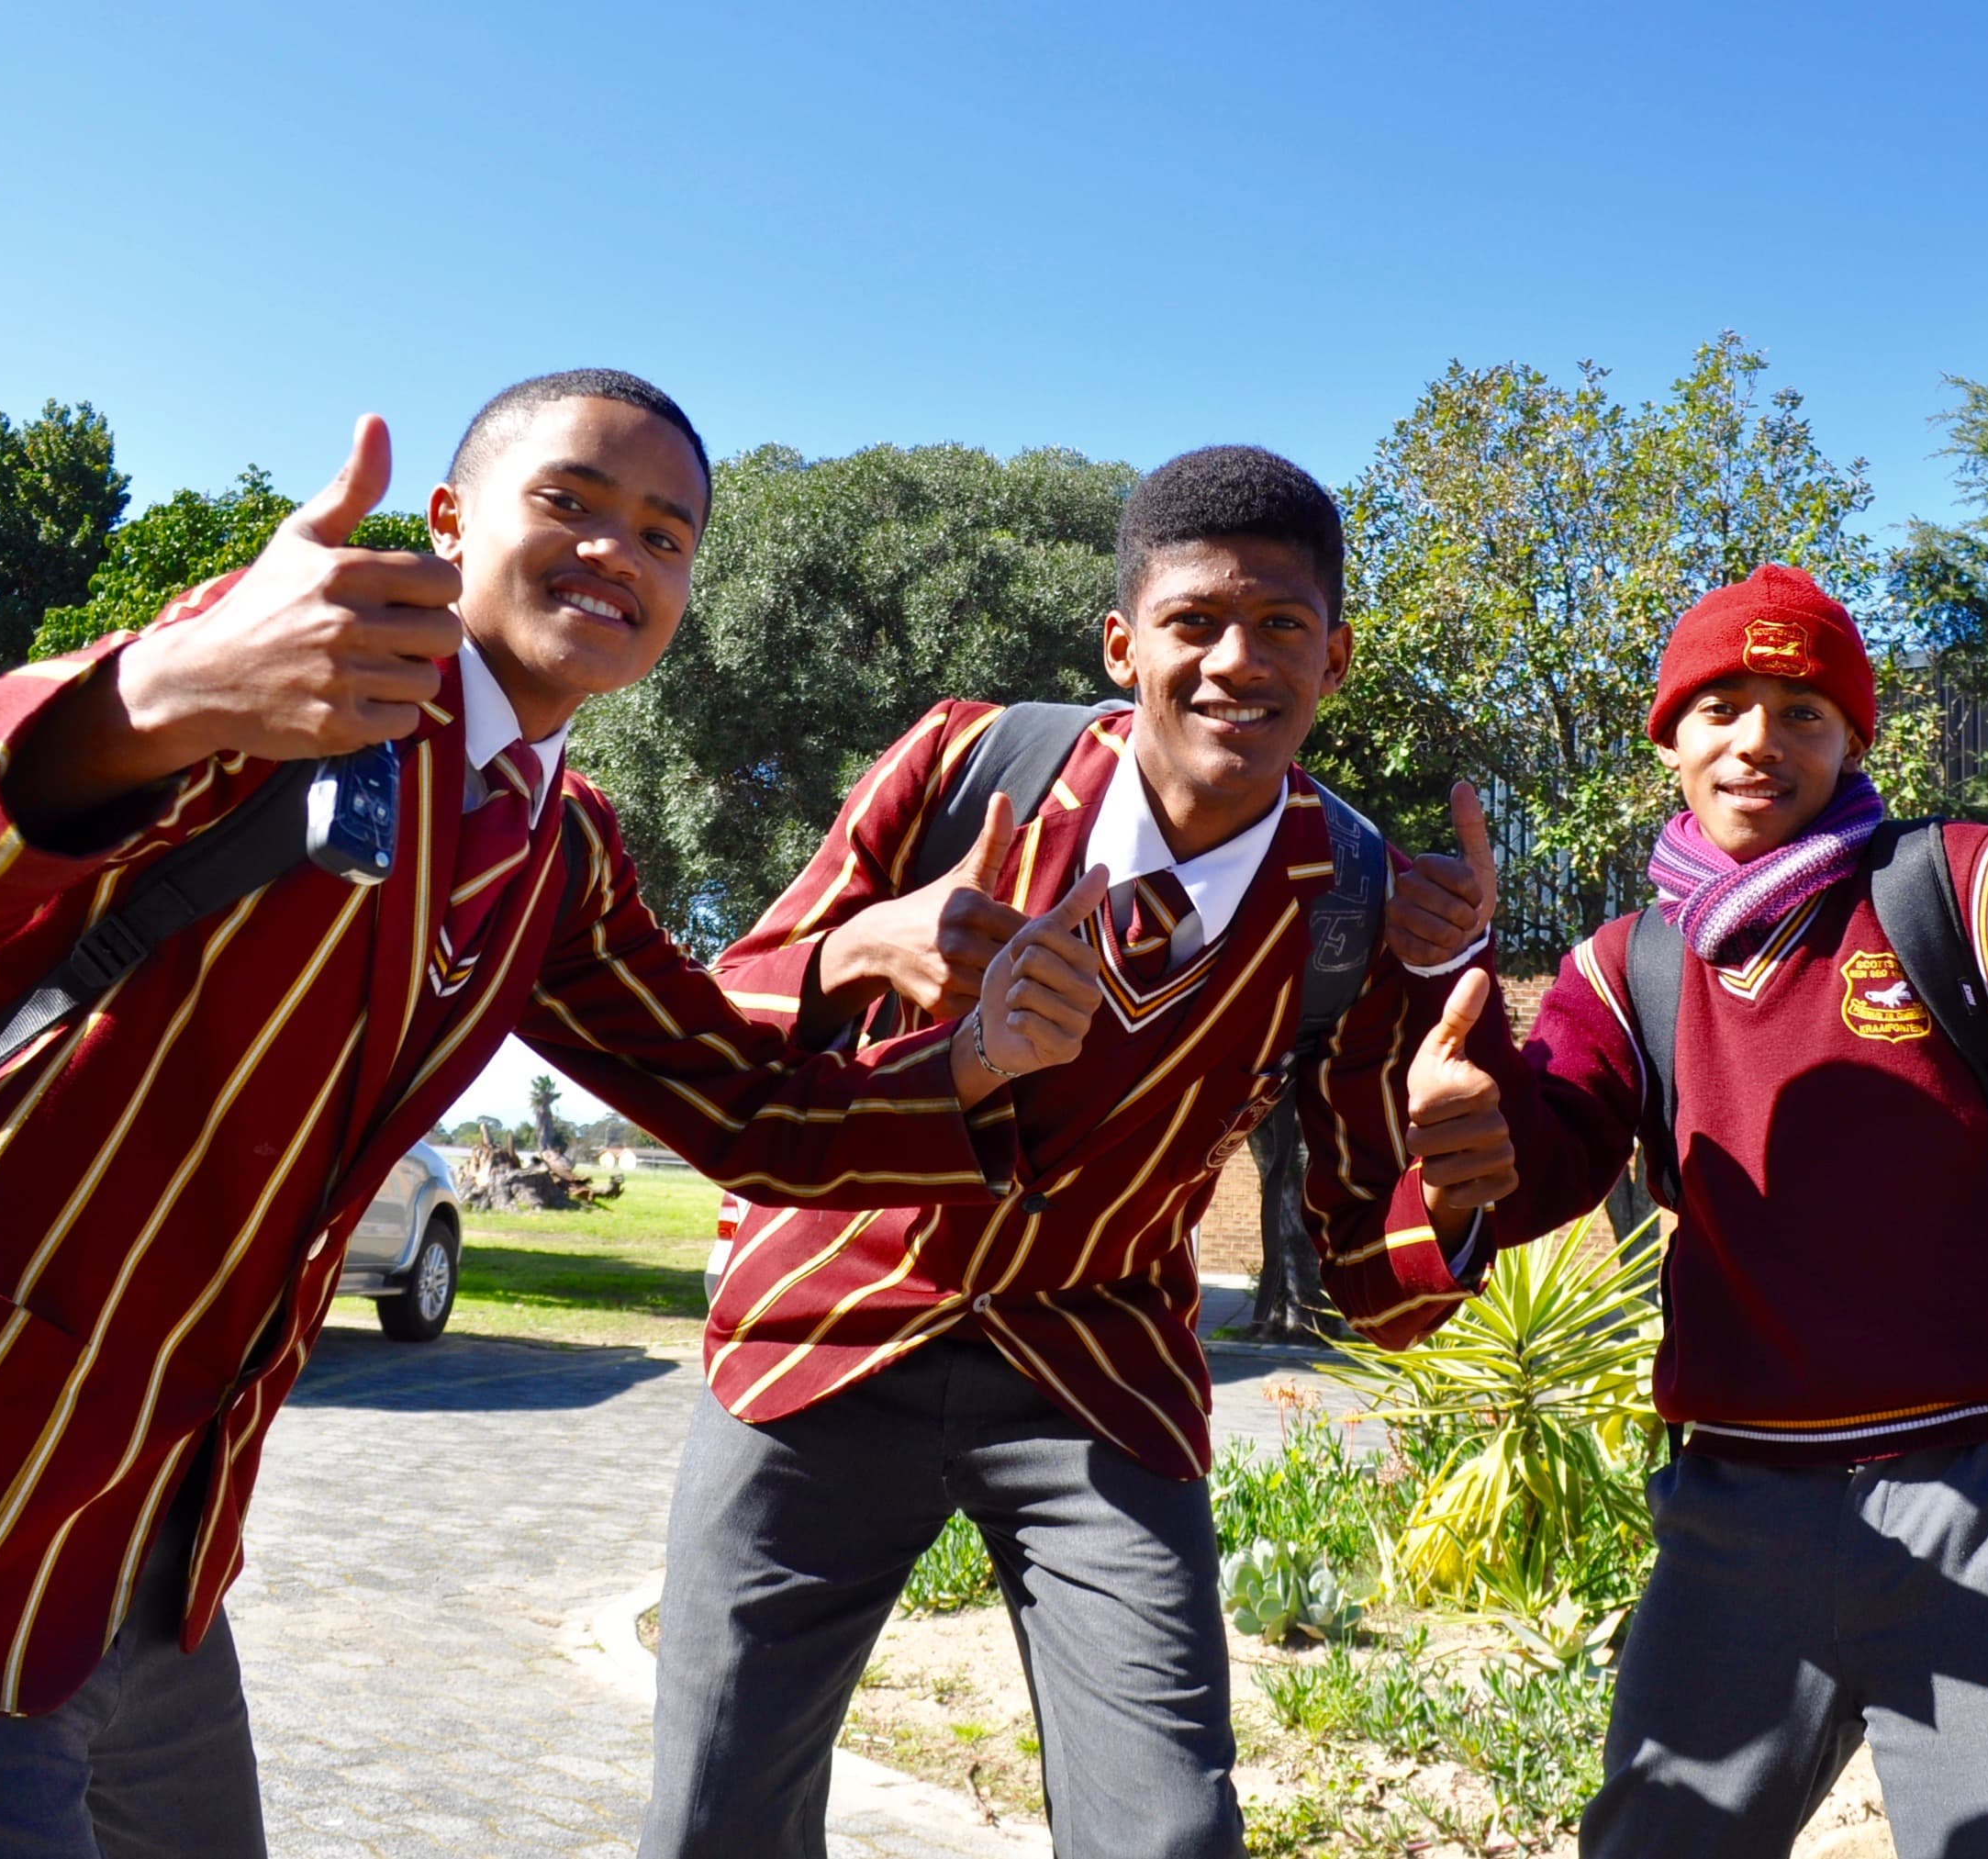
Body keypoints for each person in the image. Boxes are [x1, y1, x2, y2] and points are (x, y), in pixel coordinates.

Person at [0, 370, 1108, 1858]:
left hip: (147, 1548)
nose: (620, 552)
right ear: (451, 519)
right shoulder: (297, 661)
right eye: (571, 502)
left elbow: (749, 1109)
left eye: (666, 536)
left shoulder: (560, 844)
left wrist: (973, 1062)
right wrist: (171, 690)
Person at [641, 445, 1521, 1859]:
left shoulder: (1351, 906)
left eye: (1283, 625)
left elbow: (1380, 1282)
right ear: (1123, 643)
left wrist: (1460, 1179)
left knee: (1167, 1833)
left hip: (1095, 1372)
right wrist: (872, 941)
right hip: (826, 1330)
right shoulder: (966, 763)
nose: (1238, 660)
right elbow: (718, 1028)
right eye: (1195, 622)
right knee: (714, 1824)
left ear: (1336, 657)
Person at [1479, 565, 1988, 1858]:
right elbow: (1525, 1168)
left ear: (1855, 739)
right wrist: (1447, 1071)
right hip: (1735, 1508)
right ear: (1669, 738)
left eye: (1803, 710)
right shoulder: (1625, 964)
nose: (1758, 741)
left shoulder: (1961, 890)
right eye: (1722, 706)